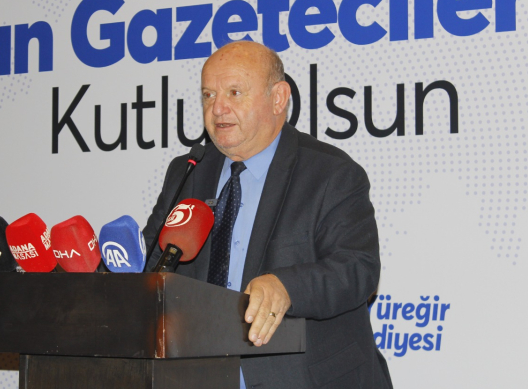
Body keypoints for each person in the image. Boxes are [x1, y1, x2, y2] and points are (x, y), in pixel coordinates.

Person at [143, 41, 392, 388]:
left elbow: (358, 268)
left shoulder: (330, 173)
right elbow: (153, 262)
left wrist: (287, 286)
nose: (218, 108)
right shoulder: (188, 171)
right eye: (208, 95)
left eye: (234, 92)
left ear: (278, 98)